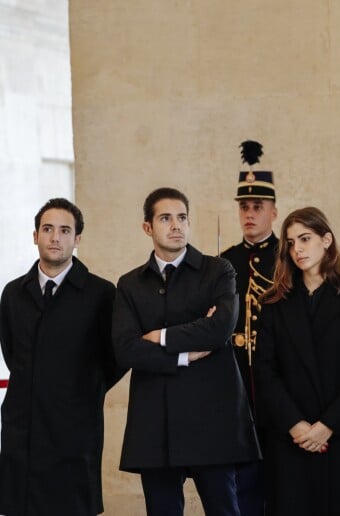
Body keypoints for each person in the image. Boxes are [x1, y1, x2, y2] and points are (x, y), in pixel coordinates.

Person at [112, 187, 261, 516]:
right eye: (165, 218)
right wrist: (185, 353)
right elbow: (125, 350)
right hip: (155, 420)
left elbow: (220, 328)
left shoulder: (218, 270)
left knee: (225, 509)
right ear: (147, 227)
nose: (176, 225)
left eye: (182, 218)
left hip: (213, 415)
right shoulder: (130, 284)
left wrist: (159, 336)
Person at [0, 198, 124, 516]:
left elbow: (118, 357)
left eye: (65, 230)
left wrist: (83, 390)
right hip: (22, 424)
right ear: (35, 235)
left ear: (77, 239)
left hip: (74, 427)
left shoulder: (101, 294)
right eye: (48, 229)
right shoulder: (13, 293)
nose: (55, 237)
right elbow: (12, 353)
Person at [254, 207, 340, 516]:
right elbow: (264, 371)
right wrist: (297, 426)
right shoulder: (274, 302)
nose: (297, 249)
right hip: (290, 435)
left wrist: (327, 426)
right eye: (291, 242)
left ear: (327, 241)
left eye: (305, 239)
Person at [221, 140, 278, 516]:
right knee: (244, 488)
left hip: (279, 384)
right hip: (238, 383)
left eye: (258, 206)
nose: (250, 214)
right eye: (244, 206)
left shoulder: (288, 257)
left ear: (273, 211)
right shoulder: (223, 262)